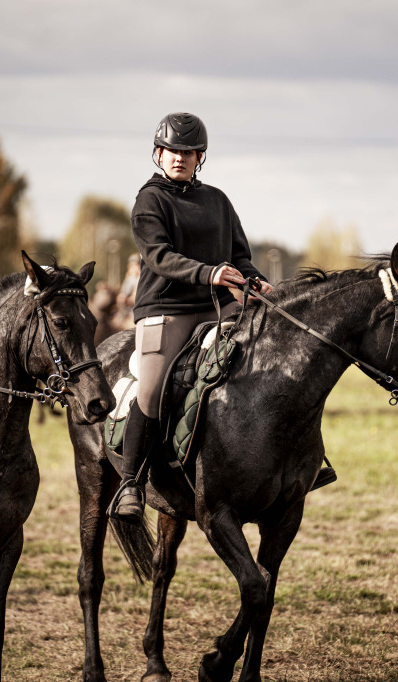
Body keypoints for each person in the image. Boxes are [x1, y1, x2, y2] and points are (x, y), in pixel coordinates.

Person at [110, 112, 273, 523]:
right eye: (170, 151)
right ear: (158, 154)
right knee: (151, 391)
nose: (178, 158)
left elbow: (240, 258)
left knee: (272, 359)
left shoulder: (218, 200)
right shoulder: (149, 200)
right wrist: (209, 273)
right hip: (166, 309)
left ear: (200, 155)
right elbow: (158, 257)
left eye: (187, 151)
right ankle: (131, 482)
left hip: (221, 305)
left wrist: (257, 282)